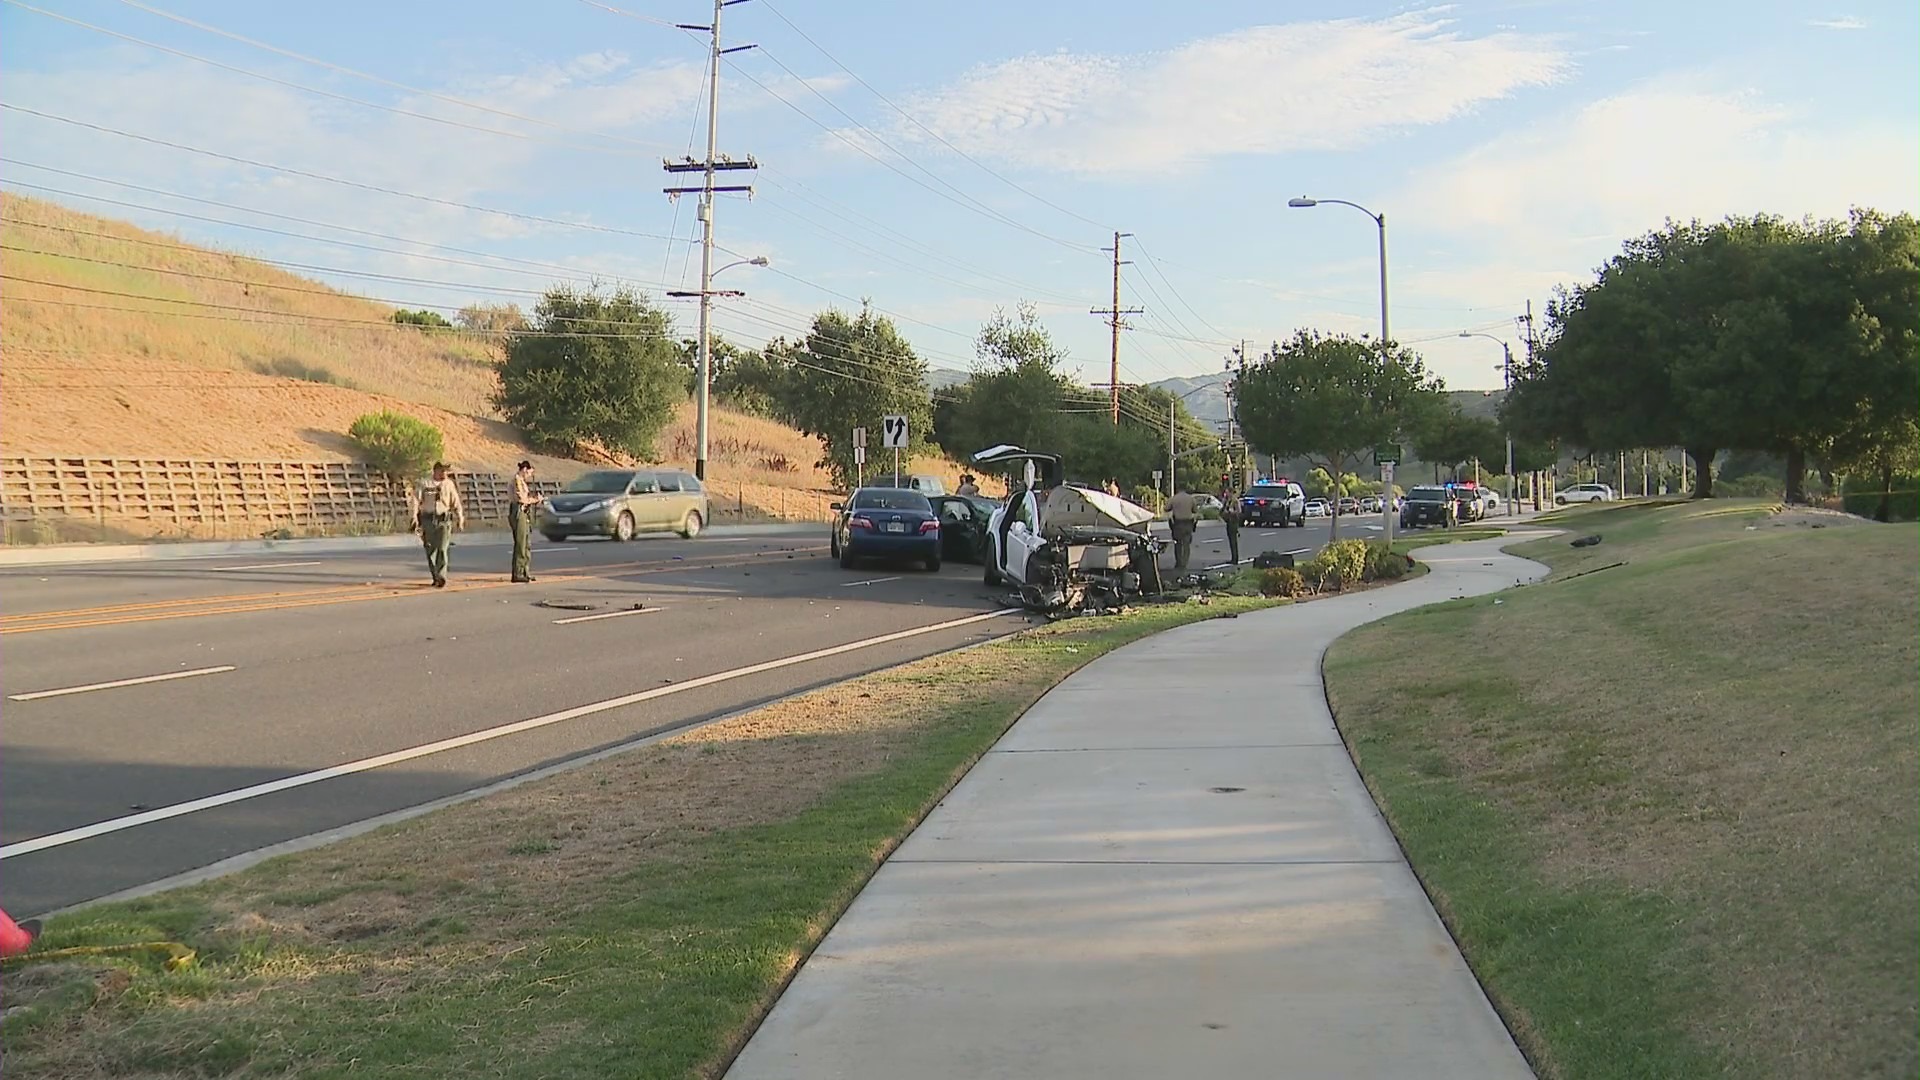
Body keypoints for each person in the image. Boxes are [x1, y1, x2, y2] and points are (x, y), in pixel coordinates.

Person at [407, 462, 466, 588]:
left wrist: (460, 517)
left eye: (446, 471)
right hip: (428, 520)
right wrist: (414, 517)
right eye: (442, 471)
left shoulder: (449, 484)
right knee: (430, 549)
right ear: (435, 471)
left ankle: (441, 576)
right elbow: (416, 500)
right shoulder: (425, 483)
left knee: (442, 548)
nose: (445, 473)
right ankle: (435, 576)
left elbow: (456, 502)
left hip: (444, 521)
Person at [510, 460, 538, 584]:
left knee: (526, 543)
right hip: (518, 512)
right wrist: (534, 500)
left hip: (524, 512)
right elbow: (521, 498)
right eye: (529, 473)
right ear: (525, 469)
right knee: (520, 544)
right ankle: (518, 572)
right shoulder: (517, 480)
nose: (529, 476)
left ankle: (525, 571)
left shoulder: (522, 482)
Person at [1166, 484, 1199, 573]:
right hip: (1188, 523)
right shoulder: (1191, 498)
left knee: (1178, 544)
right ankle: (1184, 562)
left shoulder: (1174, 498)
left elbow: (1167, 508)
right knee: (1186, 544)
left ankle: (1179, 562)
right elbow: (1195, 510)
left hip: (1178, 523)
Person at [1218, 483, 1242, 565]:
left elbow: (1239, 511)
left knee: (1233, 541)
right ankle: (1233, 557)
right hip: (1229, 521)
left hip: (1233, 522)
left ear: (1231, 492)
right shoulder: (1227, 501)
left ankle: (1235, 558)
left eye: (1227, 492)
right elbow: (1222, 510)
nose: (1226, 494)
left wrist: (1232, 512)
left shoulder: (1235, 501)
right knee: (1230, 540)